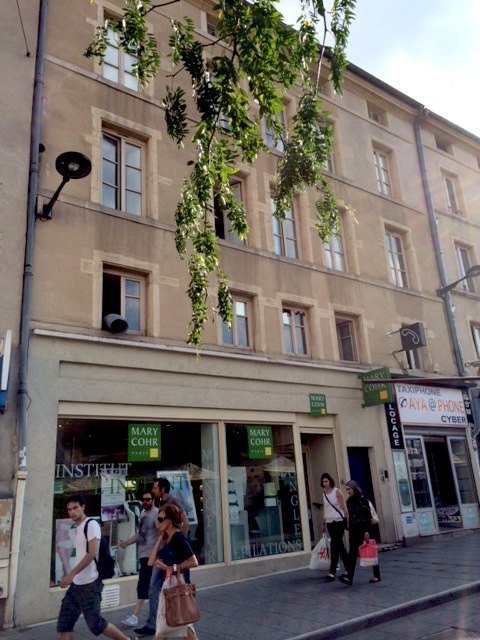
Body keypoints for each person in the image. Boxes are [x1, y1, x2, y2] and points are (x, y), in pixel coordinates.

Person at [57, 494, 131, 640]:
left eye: (75, 508)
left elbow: (92, 553)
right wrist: (73, 577)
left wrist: (71, 574)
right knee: (65, 624)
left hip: (90, 584)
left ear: (83, 507)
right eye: (69, 509)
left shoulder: (91, 525)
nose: (72, 512)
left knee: (96, 624)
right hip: (76, 585)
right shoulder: (79, 528)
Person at [135, 478, 189, 636]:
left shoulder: (173, 501)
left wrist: (179, 545)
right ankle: (154, 624)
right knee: (154, 588)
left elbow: (185, 522)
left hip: (171, 554)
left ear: (163, 489)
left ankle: (179, 621)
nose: (153, 490)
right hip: (163, 553)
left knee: (171, 589)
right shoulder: (161, 502)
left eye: (155, 488)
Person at [150, 503, 199, 640]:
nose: (158, 523)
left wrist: (170, 568)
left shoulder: (179, 538)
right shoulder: (167, 539)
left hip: (178, 585)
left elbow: (194, 562)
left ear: (170, 521)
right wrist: (160, 539)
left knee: (165, 629)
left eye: (161, 519)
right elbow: (150, 562)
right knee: (181, 628)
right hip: (169, 585)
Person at [119, 490, 159, 627]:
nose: (145, 502)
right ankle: (139, 616)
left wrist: (157, 553)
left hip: (151, 556)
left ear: (153, 500)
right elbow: (139, 534)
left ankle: (136, 616)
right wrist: (126, 543)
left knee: (146, 586)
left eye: (148, 499)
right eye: (143, 499)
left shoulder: (156, 514)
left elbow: (161, 533)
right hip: (143, 555)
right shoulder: (143, 514)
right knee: (146, 586)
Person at [339, 480, 381, 586]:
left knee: (370, 551)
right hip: (354, 530)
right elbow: (348, 516)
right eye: (347, 490)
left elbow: (368, 516)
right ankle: (350, 577)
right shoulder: (349, 501)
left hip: (364, 530)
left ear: (355, 489)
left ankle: (377, 574)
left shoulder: (363, 500)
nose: (348, 491)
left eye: (349, 489)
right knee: (352, 554)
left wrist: (367, 531)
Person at [320, 472, 349, 581]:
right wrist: (322, 523)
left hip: (339, 521)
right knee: (339, 545)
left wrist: (348, 521)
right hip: (330, 522)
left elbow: (344, 507)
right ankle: (348, 567)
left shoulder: (337, 492)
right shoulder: (324, 494)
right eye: (323, 481)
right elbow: (325, 509)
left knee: (334, 545)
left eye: (326, 481)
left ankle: (332, 572)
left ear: (330, 481)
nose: (325, 483)